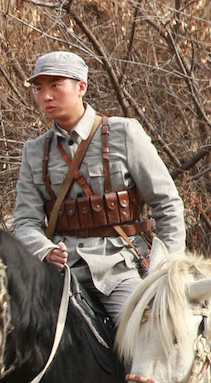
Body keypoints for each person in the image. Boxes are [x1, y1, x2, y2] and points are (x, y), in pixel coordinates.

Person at [11, 51, 184, 327]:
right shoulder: (34, 151)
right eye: (40, 88)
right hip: (61, 274)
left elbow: (167, 203)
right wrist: (44, 250)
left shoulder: (125, 133)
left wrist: (167, 269)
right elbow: (25, 221)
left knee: (141, 335)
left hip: (119, 268)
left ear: (82, 87)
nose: (45, 96)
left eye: (55, 85)